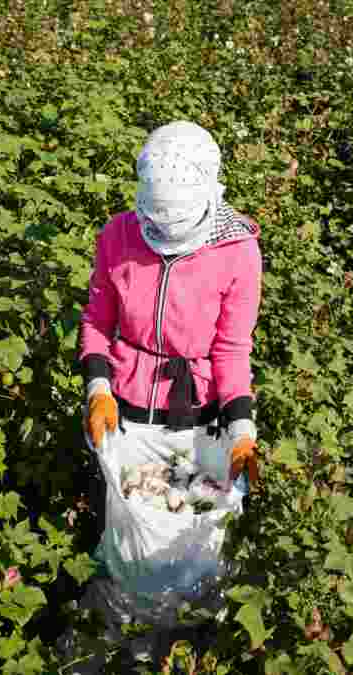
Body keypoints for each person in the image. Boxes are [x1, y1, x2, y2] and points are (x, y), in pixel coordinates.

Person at [79, 120, 262, 508]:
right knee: (128, 505)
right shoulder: (118, 235)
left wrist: (242, 429)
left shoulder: (237, 251)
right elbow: (97, 320)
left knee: (190, 513)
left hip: (196, 414)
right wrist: (98, 389)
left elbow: (231, 349)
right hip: (124, 406)